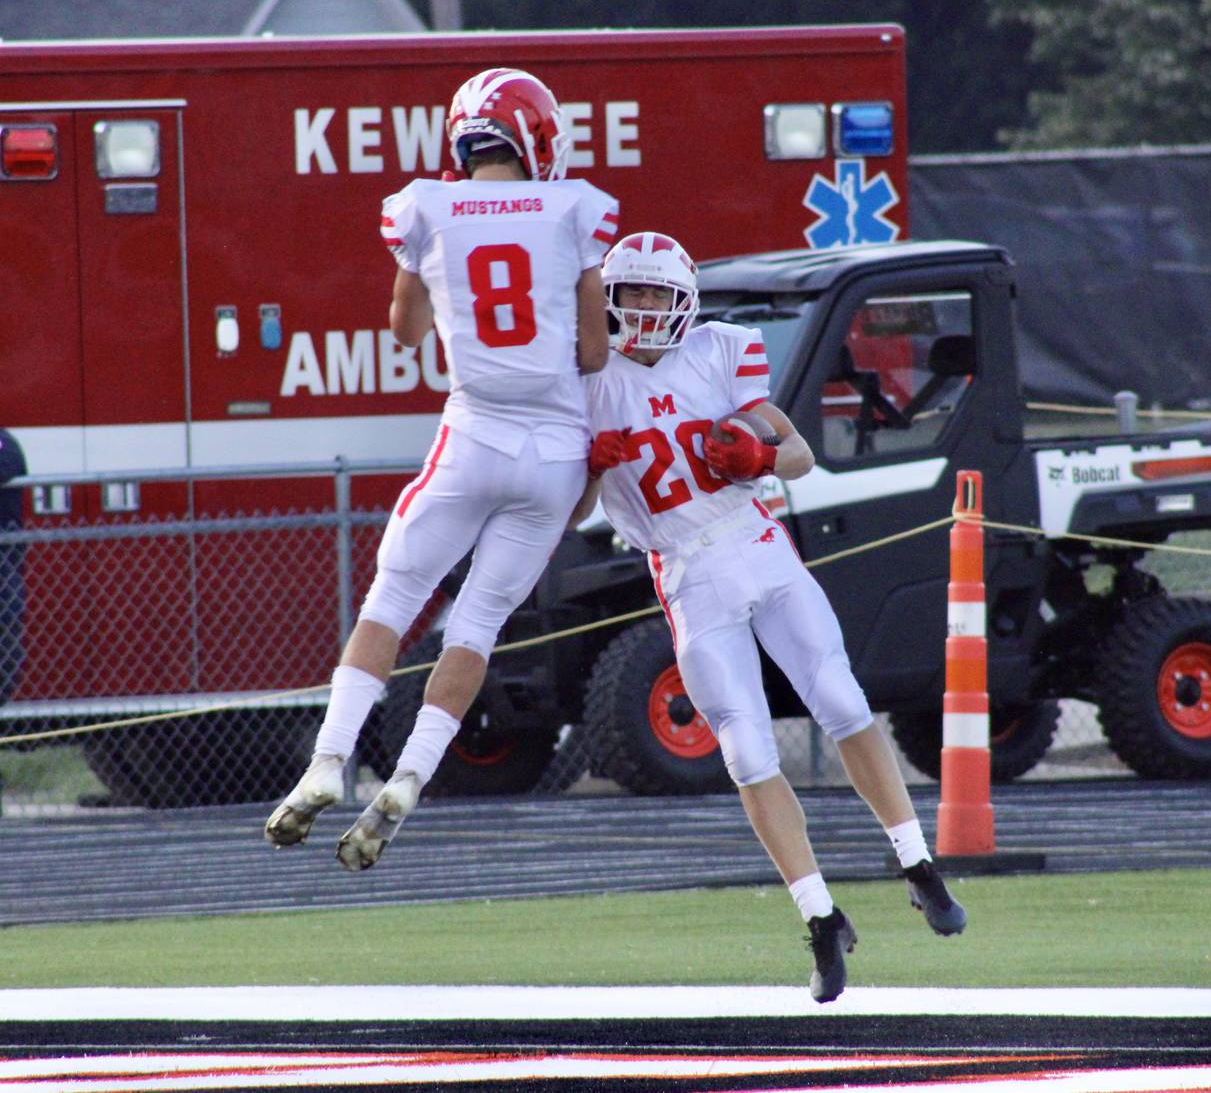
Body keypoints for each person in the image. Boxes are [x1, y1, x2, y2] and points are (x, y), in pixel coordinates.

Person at [576, 231, 966, 1004]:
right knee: (748, 753)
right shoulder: (586, 383)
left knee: (844, 701)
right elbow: (574, 511)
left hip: (758, 544)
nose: (645, 307)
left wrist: (756, 457)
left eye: (658, 293)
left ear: (683, 301)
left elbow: (797, 455)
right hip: (686, 574)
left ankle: (917, 861)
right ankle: (821, 919)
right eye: (633, 293)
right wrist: (588, 463)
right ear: (609, 300)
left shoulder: (720, 352)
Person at [265, 68, 619, 871]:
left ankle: (327, 762)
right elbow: (594, 349)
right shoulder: (577, 208)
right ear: (537, 136)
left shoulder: (427, 205)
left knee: (392, 599)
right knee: (479, 626)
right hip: (556, 452)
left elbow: (404, 329)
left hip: (474, 435)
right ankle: (412, 775)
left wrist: (442, 289)